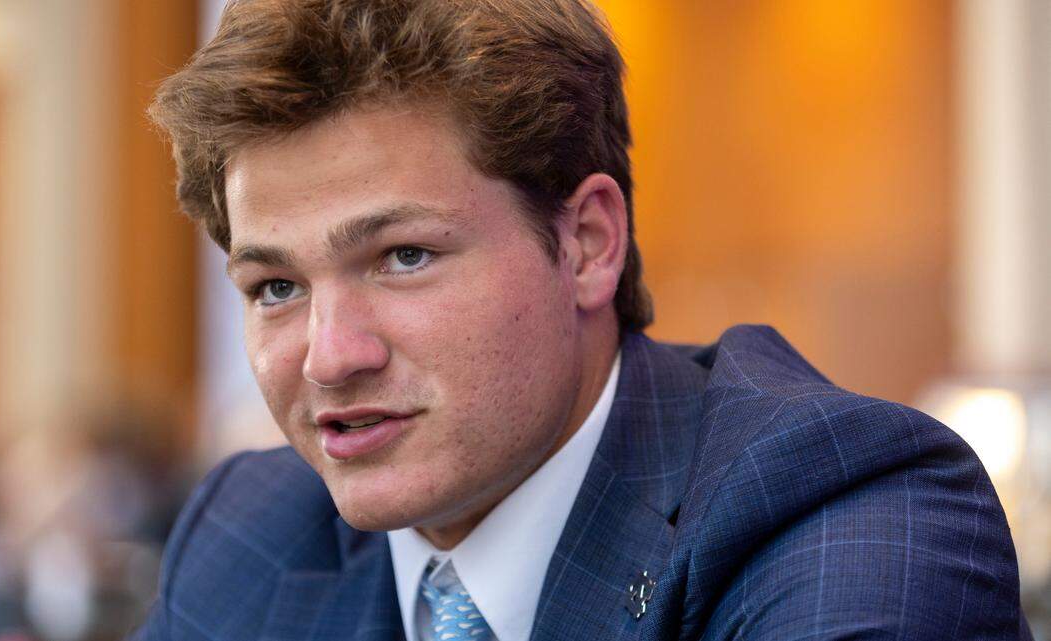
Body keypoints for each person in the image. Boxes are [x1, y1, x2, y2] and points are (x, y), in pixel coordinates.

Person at [133, 1, 1031, 639]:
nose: (330, 358)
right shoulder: (246, 532)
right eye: (275, 288)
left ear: (589, 242)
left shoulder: (836, 507)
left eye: (403, 256)